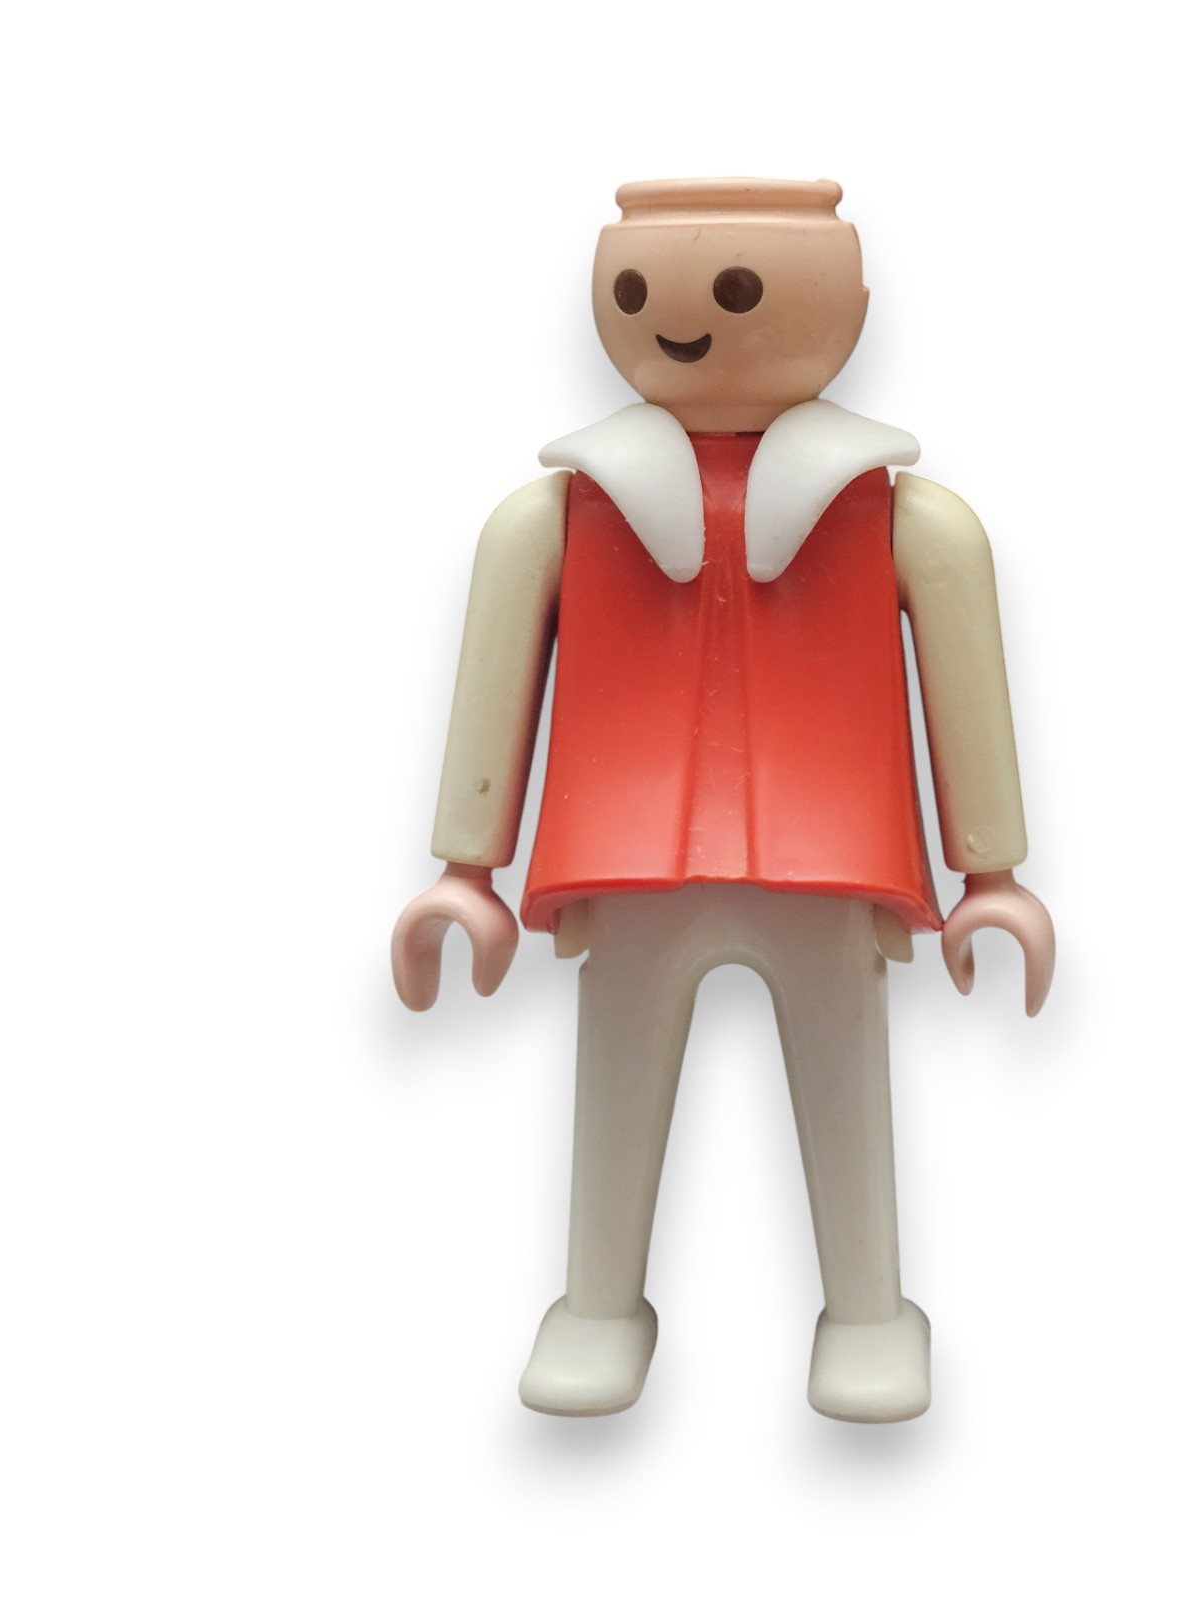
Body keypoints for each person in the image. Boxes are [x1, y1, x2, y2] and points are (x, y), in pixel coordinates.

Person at [391, 177, 1055, 1422]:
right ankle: (598, 1305)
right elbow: (497, 675)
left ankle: (867, 1311)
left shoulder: (902, 515)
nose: (681, 315)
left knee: (844, 1083)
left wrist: (993, 872)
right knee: (616, 1084)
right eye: (635, 287)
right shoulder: (556, 512)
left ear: (854, 305)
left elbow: (963, 673)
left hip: (833, 852)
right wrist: (464, 867)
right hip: (624, 848)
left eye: (737, 290)